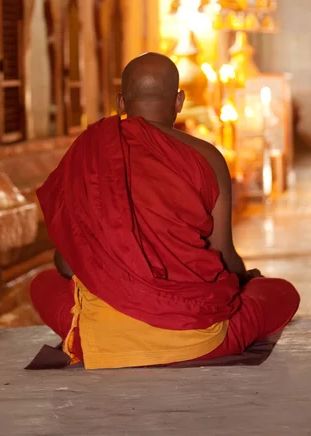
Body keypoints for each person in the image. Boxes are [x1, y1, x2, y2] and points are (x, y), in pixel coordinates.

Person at [31, 53, 300, 370]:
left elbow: (66, 263)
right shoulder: (207, 157)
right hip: (199, 338)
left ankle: (104, 334)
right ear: (179, 100)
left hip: (102, 340)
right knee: (281, 293)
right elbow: (226, 255)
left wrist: (112, 275)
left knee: (43, 284)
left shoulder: (88, 151)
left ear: (120, 101)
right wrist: (244, 284)